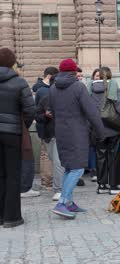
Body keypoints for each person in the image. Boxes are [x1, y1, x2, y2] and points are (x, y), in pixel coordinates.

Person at [49, 58, 105, 219]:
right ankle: (62, 202)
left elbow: (52, 110)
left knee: (68, 167)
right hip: (77, 133)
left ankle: (69, 203)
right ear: (74, 71)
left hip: (60, 132)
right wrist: (101, 132)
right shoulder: (78, 87)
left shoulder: (53, 88)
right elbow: (92, 112)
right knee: (78, 168)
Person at [0, 48, 35, 228]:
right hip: (12, 133)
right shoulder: (19, 82)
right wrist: (22, 128)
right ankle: (11, 217)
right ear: (12, 62)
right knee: (13, 175)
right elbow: (30, 110)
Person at [90, 67, 120, 194]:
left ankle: (101, 185)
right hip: (113, 128)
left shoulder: (90, 88)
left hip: (97, 128)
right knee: (114, 157)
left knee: (100, 156)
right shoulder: (114, 87)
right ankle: (113, 186)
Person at [34, 66, 65, 201]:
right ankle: (60, 186)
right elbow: (37, 115)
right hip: (49, 135)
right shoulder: (46, 98)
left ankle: (59, 189)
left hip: (61, 134)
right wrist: (45, 115)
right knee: (53, 159)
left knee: (58, 162)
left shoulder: (66, 97)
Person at [86, 68, 101, 182]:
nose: (98, 78)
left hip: (103, 122)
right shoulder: (88, 90)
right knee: (92, 148)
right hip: (91, 124)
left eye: (100, 76)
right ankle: (93, 170)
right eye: (96, 76)